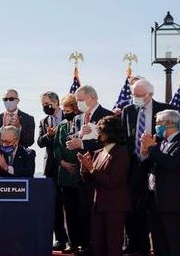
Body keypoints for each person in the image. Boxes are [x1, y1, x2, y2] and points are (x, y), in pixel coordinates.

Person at [121, 78, 170, 256]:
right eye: (134, 94)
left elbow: (170, 138)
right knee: (132, 206)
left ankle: (150, 245)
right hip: (134, 165)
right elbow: (124, 138)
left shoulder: (165, 110)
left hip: (155, 164)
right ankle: (135, 244)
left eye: (139, 95)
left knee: (151, 207)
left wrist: (152, 148)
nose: (135, 98)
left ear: (150, 95)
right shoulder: (128, 110)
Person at [66, 85, 113, 256]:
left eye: (80, 99)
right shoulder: (79, 118)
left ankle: (98, 246)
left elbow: (109, 143)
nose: (78, 103)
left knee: (97, 212)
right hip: (81, 172)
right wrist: (78, 136)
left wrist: (84, 143)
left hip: (100, 170)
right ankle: (85, 245)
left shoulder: (107, 115)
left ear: (92, 98)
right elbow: (70, 137)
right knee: (83, 211)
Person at [140, 110, 180, 256]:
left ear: (169, 123)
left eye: (158, 123)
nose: (156, 127)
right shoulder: (161, 143)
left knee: (176, 246)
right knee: (159, 245)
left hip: (172, 205)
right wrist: (145, 151)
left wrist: (152, 147)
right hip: (155, 202)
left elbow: (172, 164)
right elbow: (150, 167)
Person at [78, 115, 130, 256]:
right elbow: (90, 181)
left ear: (111, 132)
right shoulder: (98, 152)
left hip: (115, 207)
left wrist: (92, 169)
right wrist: (84, 168)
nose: (98, 133)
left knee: (113, 246)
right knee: (98, 245)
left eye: (101, 130)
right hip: (98, 206)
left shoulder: (121, 153)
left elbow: (113, 181)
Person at [36, 91, 68, 252]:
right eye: (42, 105)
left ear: (56, 103)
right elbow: (40, 142)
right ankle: (60, 239)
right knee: (55, 205)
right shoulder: (43, 121)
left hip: (68, 166)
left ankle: (72, 239)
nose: (45, 107)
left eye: (47, 103)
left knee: (70, 204)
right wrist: (48, 136)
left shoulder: (69, 116)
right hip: (51, 168)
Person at [53, 94, 82, 254]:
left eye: (68, 109)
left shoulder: (82, 122)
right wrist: (63, 163)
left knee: (81, 210)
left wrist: (77, 165)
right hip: (64, 174)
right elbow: (56, 147)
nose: (66, 112)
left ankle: (83, 241)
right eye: (64, 110)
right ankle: (72, 242)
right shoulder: (62, 125)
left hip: (80, 175)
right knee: (69, 211)